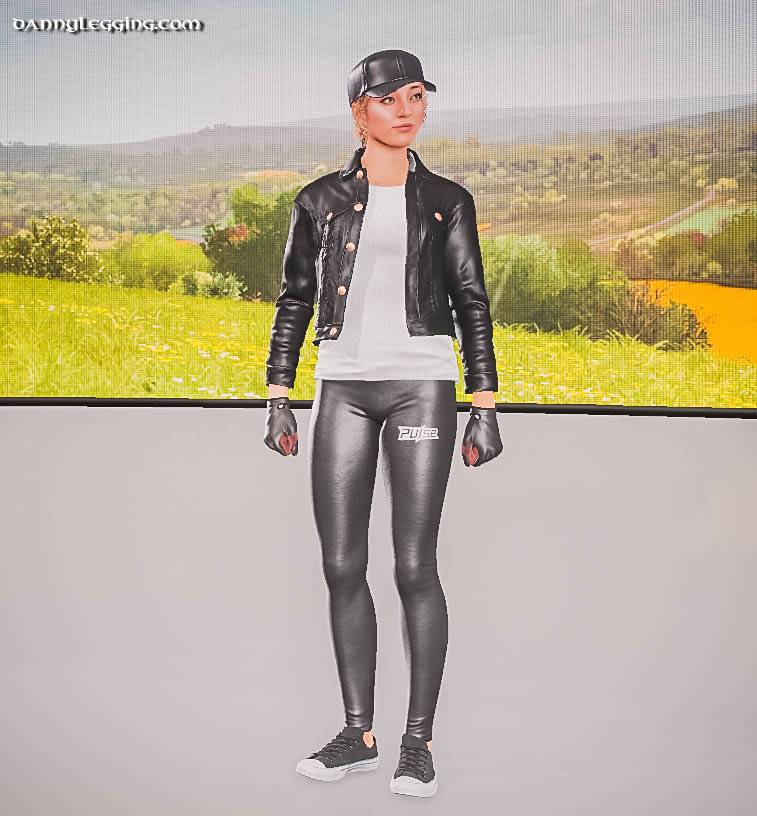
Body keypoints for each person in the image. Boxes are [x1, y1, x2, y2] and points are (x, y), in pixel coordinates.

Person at [263, 49, 503, 798]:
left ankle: (417, 743)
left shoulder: (448, 200)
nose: (407, 110)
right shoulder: (319, 200)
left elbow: (471, 300)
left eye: (417, 96)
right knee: (341, 565)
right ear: (359, 110)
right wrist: (278, 394)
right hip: (341, 388)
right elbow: (295, 298)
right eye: (390, 98)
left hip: (421, 388)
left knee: (412, 567)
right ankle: (357, 734)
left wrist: (484, 404)